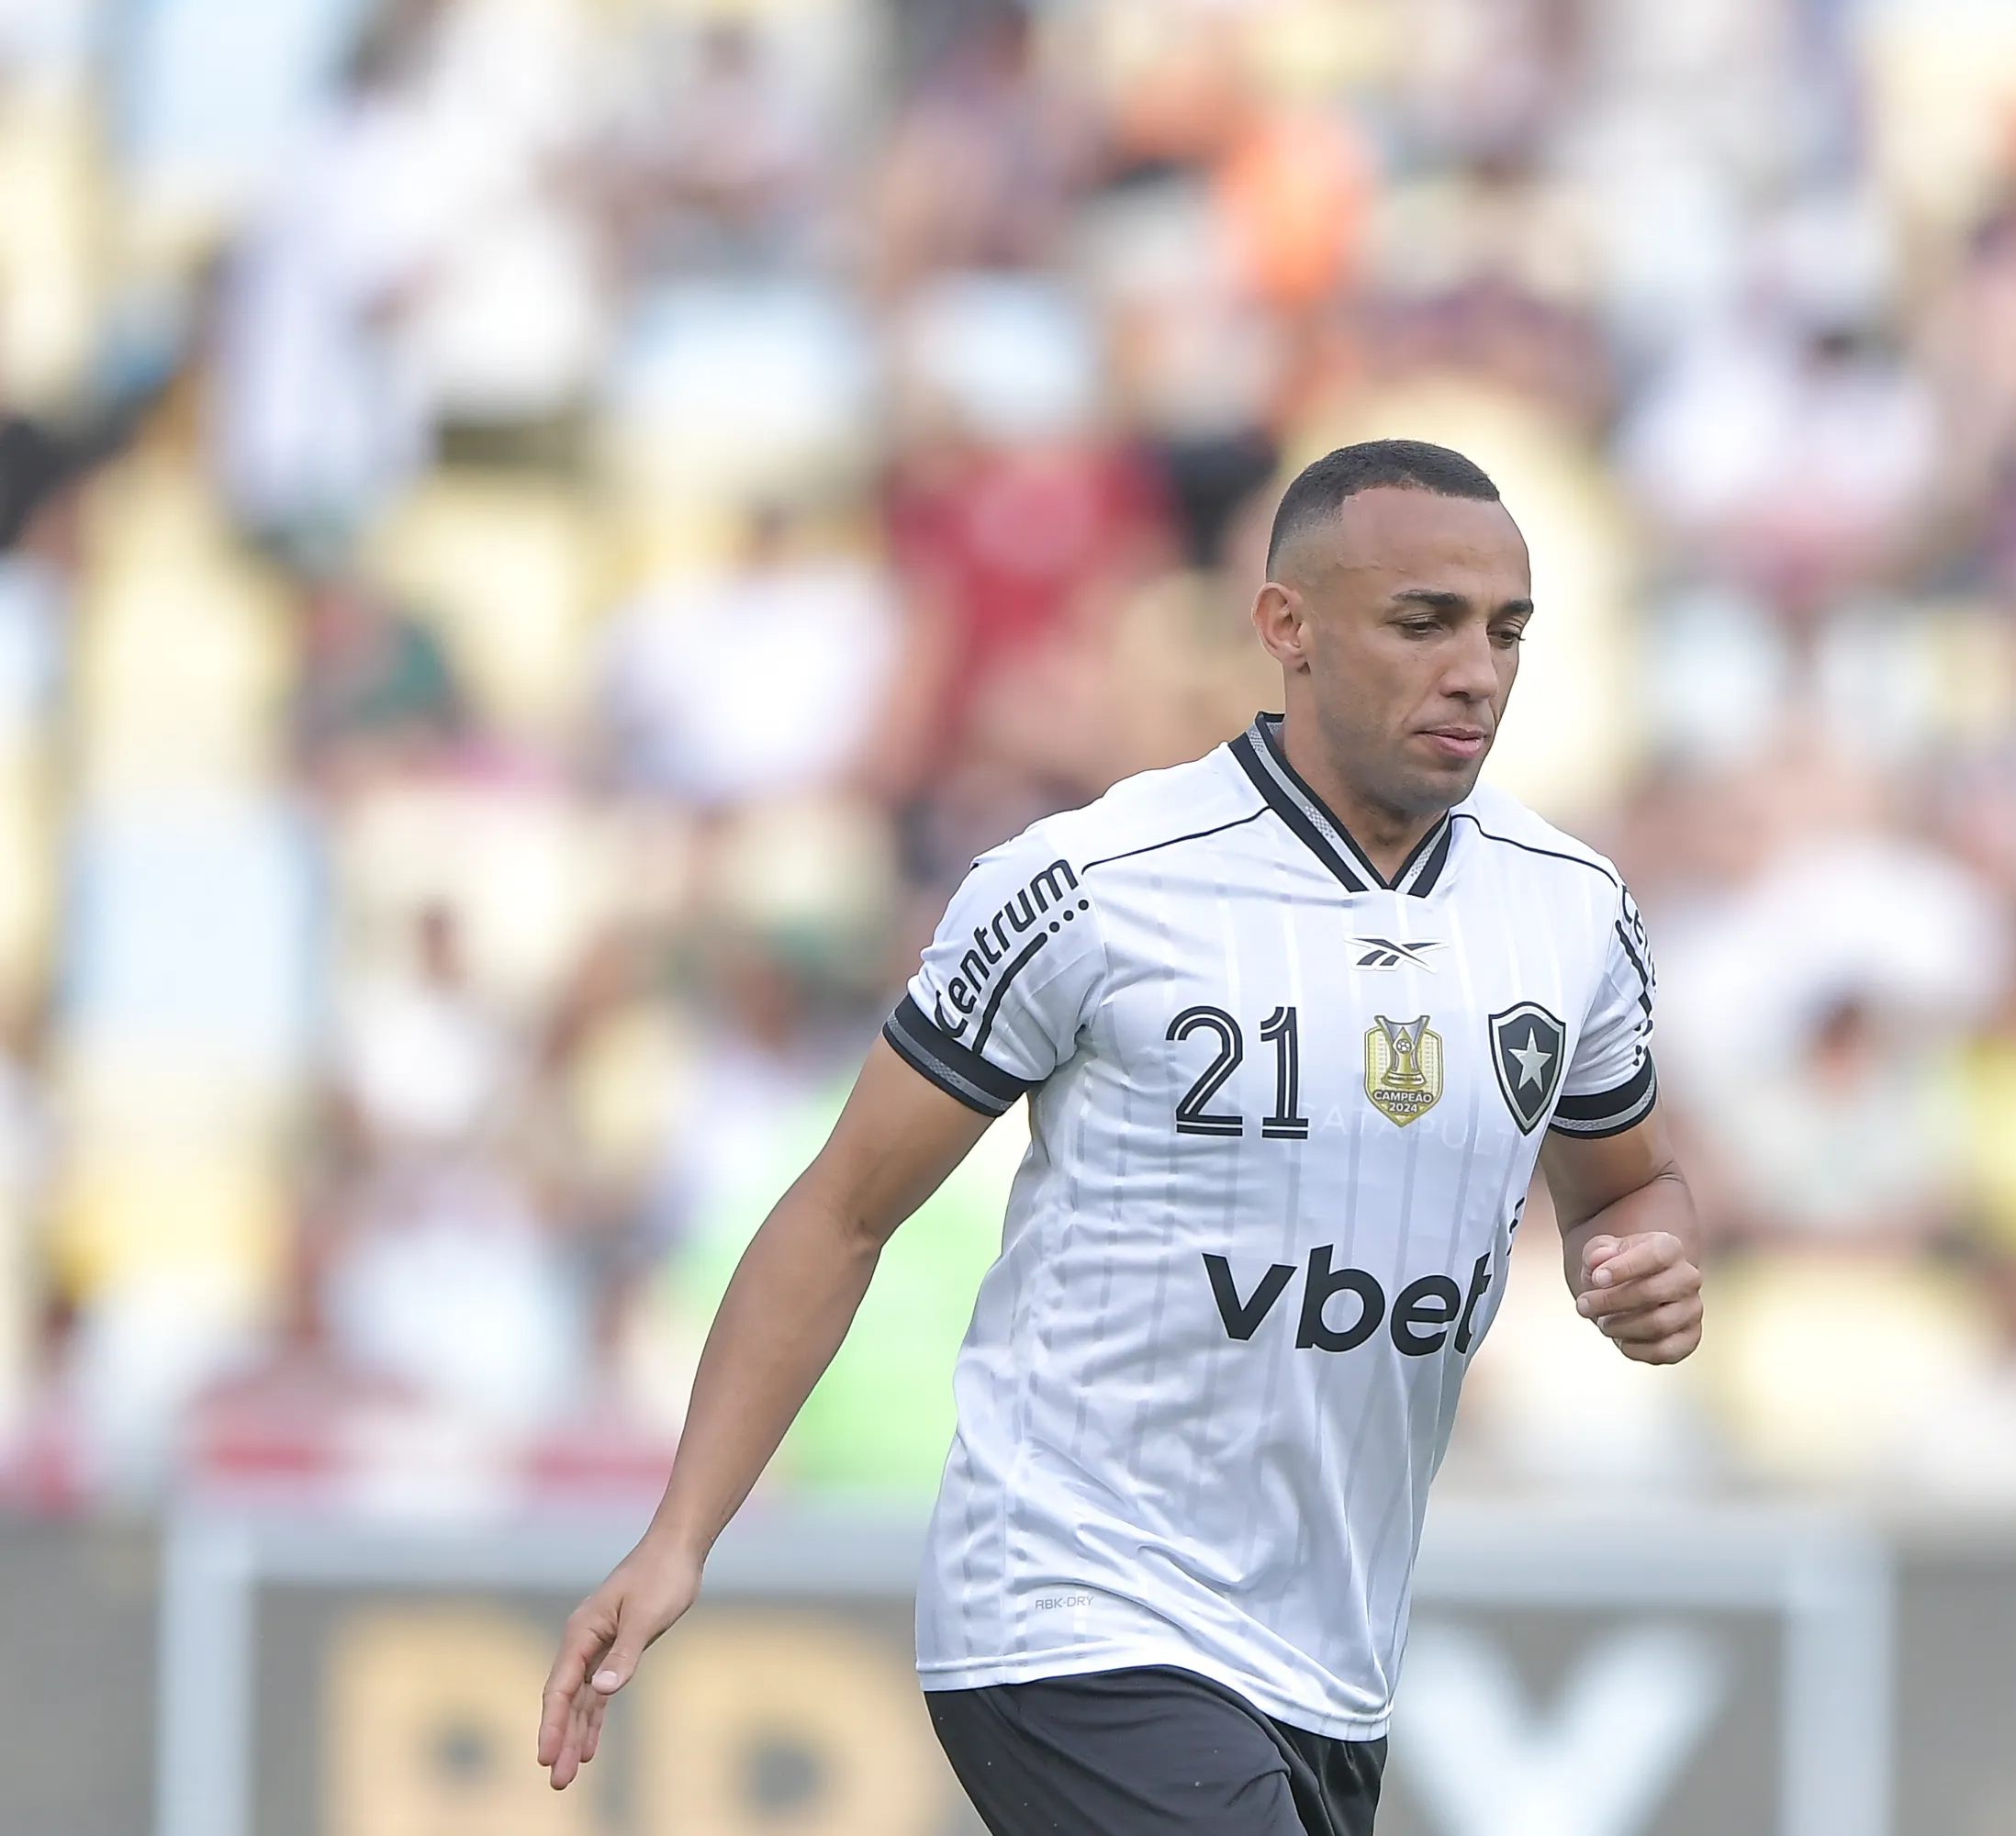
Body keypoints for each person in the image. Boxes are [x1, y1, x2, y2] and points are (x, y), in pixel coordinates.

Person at [534, 440, 1705, 1833]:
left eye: (1506, 631)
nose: (1478, 670)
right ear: (1288, 628)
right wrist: (680, 1538)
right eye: (1423, 622)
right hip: (1074, 1605)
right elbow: (844, 1208)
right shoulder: (1093, 885)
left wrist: (1645, 1264)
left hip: (1330, 1653)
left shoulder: (1567, 911)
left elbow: (1628, 1191)